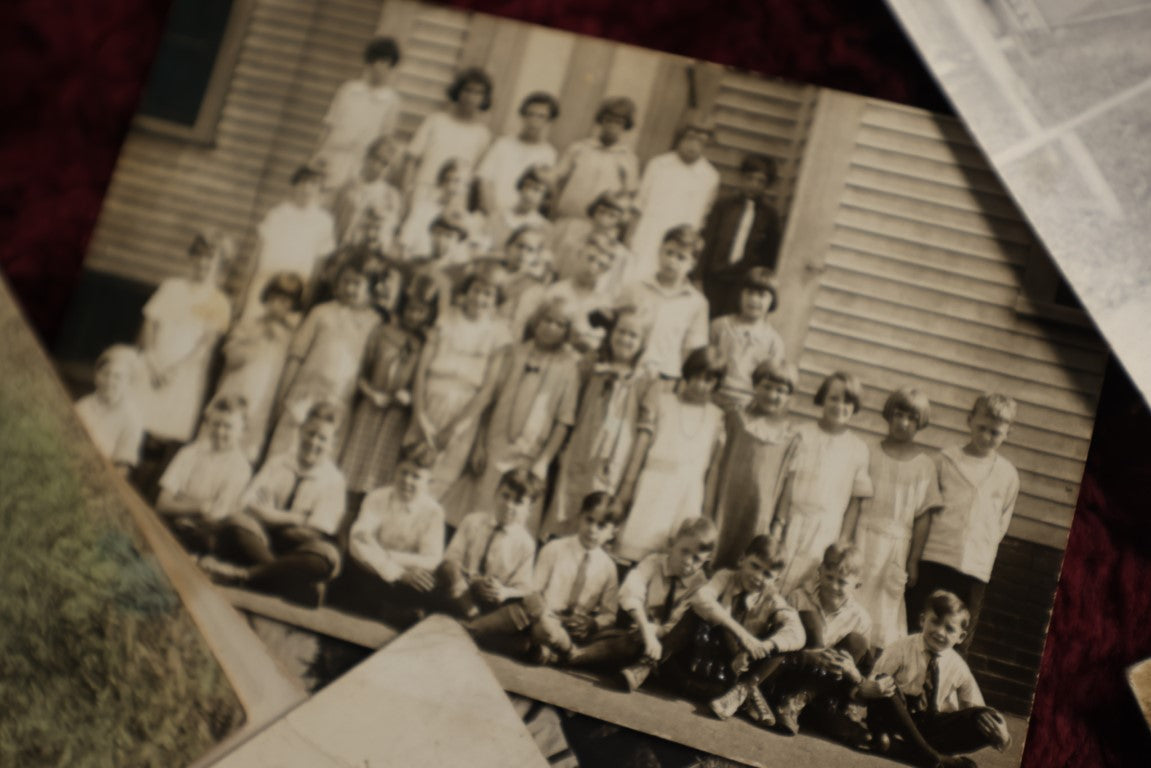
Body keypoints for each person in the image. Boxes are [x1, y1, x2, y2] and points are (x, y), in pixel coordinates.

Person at [446, 298, 580, 536]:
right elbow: (490, 401)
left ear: (567, 331)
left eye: (560, 324)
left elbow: (564, 421)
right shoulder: (513, 353)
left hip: (531, 457)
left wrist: (543, 461)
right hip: (495, 447)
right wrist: (479, 444)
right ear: (536, 320)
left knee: (516, 523)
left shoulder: (568, 367)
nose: (551, 327)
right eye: (547, 320)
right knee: (481, 515)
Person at [707, 543, 872, 737]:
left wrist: (851, 671)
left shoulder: (861, 619)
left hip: (821, 687)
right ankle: (776, 702)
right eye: (829, 577)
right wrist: (810, 656)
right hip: (792, 672)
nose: (833, 586)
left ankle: (796, 706)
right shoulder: (799, 597)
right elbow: (781, 642)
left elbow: (862, 676)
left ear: (857, 585)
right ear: (820, 570)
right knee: (809, 621)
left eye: (842, 582)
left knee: (857, 642)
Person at [906, 393, 1019, 653]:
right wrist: (914, 559)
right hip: (934, 559)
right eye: (982, 428)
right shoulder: (945, 461)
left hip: (973, 570)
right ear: (969, 421)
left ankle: (942, 691)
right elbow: (925, 511)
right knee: (918, 629)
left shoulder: (1007, 475)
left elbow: (1000, 524)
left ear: (1007, 433)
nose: (987, 436)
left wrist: (979, 550)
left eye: (995, 432)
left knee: (956, 641)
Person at [631, 535, 805, 698]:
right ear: (742, 559)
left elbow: (797, 633)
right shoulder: (726, 577)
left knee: (782, 645)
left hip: (726, 676)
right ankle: (649, 664)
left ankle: (742, 692)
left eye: (767, 574)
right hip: (696, 660)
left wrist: (763, 646)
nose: (757, 577)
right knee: (697, 611)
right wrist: (742, 636)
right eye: (755, 566)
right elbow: (701, 598)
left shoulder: (772, 599)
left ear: (776, 579)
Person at [209, 401, 346, 606]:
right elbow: (247, 503)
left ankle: (246, 575)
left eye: (322, 438)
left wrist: (270, 514)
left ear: (332, 444)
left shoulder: (334, 480)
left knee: (327, 557)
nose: (314, 442)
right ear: (300, 431)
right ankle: (293, 586)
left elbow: (317, 529)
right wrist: (297, 518)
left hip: (300, 549)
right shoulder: (278, 462)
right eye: (310, 433)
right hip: (262, 539)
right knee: (236, 523)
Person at [860, 590, 1012, 768]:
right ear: (923, 620)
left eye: (949, 629)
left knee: (985, 716)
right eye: (935, 622)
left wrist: (1004, 738)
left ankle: (899, 748)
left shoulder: (958, 666)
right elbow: (872, 685)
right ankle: (933, 758)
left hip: (930, 725)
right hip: (896, 716)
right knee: (885, 682)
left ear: (961, 637)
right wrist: (873, 687)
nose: (940, 632)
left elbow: (974, 708)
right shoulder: (901, 647)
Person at [465, 492, 621, 662]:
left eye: (601, 526)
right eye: (589, 520)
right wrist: (543, 612)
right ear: (579, 517)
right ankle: (555, 653)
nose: (592, 529)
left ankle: (552, 651)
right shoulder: (555, 549)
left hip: (573, 630)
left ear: (613, 532)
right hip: (543, 619)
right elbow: (533, 591)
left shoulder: (608, 568)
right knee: (536, 620)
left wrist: (593, 623)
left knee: (611, 639)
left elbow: (609, 614)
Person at [542, 306, 653, 540]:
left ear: (643, 342)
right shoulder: (591, 365)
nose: (625, 339)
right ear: (611, 333)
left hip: (614, 461)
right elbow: (570, 406)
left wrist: (629, 482)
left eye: (633, 335)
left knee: (597, 518)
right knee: (564, 516)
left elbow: (645, 431)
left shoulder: (646, 378)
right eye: (621, 332)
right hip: (579, 451)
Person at [847, 387, 942, 650]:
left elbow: (923, 517)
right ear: (888, 415)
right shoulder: (870, 452)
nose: (903, 423)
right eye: (898, 415)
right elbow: (856, 500)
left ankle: (871, 664)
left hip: (896, 546)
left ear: (920, 424)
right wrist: (846, 539)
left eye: (911, 419)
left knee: (885, 606)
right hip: (863, 538)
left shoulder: (924, 466)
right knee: (853, 594)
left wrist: (913, 559)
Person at [408, 264, 512, 503]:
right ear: (467, 291)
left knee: (440, 480)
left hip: (464, 411)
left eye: (488, 294)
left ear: (496, 300)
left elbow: (487, 389)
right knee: (411, 468)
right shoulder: (447, 317)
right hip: (429, 399)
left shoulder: (498, 332)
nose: (480, 298)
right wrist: (420, 414)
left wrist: (455, 428)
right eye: (476, 290)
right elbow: (422, 370)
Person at [614, 346, 727, 563]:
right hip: (654, 484)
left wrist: (707, 510)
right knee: (636, 549)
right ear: (688, 374)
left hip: (688, 492)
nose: (701, 385)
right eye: (697, 377)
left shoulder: (717, 417)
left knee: (674, 555)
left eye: (709, 380)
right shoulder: (664, 402)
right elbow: (641, 447)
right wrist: (627, 487)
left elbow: (713, 469)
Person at [563, 517, 716, 673]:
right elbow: (631, 592)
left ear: (706, 560)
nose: (688, 562)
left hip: (666, 646)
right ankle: (573, 654)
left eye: (697, 559)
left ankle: (575, 656)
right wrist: (646, 630)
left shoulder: (700, 584)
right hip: (634, 632)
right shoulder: (653, 562)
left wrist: (653, 633)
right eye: (684, 551)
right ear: (673, 543)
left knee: (638, 647)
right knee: (609, 636)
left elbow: (676, 625)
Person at [264, 256, 379, 459]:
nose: (350, 288)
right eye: (346, 281)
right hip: (304, 394)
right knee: (285, 450)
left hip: (338, 401)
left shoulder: (373, 322)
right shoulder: (322, 312)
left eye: (357, 283)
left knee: (321, 454)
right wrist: (283, 395)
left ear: (369, 287)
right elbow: (296, 357)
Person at [339, 274, 439, 505]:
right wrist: (371, 392)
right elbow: (362, 372)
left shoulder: (424, 346)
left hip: (395, 419)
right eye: (411, 309)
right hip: (369, 408)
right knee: (352, 466)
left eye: (421, 311)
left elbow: (422, 383)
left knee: (377, 476)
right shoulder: (382, 332)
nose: (414, 316)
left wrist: (408, 397)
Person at [774, 371, 873, 595]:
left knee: (806, 588)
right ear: (822, 399)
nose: (840, 406)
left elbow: (855, 502)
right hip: (792, 520)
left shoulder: (857, 448)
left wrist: (843, 540)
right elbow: (787, 482)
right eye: (834, 398)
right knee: (777, 576)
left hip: (827, 529)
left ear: (855, 406)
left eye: (847, 401)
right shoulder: (801, 434)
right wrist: (779, 523)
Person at [327, 442, 444, 627]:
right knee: (355, 565)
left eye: (416, 476)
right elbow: (359, 542)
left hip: (402, 574)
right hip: (372, 571)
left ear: (429, 480)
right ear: (395, 470)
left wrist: (391, 558)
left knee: (428, 584)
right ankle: (379, 608)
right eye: (404, 472)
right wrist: (395, 571)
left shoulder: (433, 512)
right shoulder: (377, 497)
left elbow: (432, 558)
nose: (407, 481)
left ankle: (384, 608)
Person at [138, 232, 233, 447]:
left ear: (220, 265)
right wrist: (152, 360)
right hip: (155, 359)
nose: (203, 263)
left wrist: (174, 370)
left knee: (162, 433)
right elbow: (150, 323)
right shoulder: (171, 287)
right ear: (191, 258)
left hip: (184, 370)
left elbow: (206, 345)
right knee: (136, 417)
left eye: (211, 259)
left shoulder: (220, 301)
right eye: (199, 256)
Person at [712, 358, 801, 569]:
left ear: (789, 396)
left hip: (759, 514)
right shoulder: (735, 420)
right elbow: (716, 465)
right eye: (767, 387)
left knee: (747, 564)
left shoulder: (789, 437)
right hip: (724, 507)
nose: (772, 395)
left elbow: (787, 486)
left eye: (780, 391)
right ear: (755, 386)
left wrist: (777, 524)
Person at [212, 272, 304, 462]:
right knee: (217, 441)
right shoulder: (248, 325)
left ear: (293, 306)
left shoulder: (291, 336)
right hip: (235, 391)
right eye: (275, 299)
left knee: (246, 453)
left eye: (286, 302)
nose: (279, 305)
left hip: (262, 403)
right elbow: (231, 358)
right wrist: (257, 339)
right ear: (267, 298)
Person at [626, 112, 719, 283]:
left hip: (679, 247)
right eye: (690, 138)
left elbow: (702, 220)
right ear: (681, 138)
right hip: (647, 238)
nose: (693, 145)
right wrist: (629, 240)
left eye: (701, 141)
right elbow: (638, 206)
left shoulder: (709, 177)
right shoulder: (658, 164)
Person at [436, 468, 541, 619]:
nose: (509, 506)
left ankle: (474, 619)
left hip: (489, 598)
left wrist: (504, 592)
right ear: (495, 493)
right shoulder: (472, 521)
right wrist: (468, 579)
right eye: (505, 496)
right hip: (460, 587)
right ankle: (471, 614)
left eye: (518, 502)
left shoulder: (526, 544)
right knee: (448, 568)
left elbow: (523, 587)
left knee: (521, 608)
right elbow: (451, 558)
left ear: (529, 509)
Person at [155, 395, 252, 554]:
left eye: (228, 426)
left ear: (242, 430)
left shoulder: (241, 468)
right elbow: (162, 503)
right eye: (215, 424)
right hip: (168, 523)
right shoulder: (191, 452)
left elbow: (213, 517)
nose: (219, 432)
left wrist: (181, 500)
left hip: (200, 537)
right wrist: (199, 506)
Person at [615, 225, 709, 383]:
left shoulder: (697, 303)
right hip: (626, 370)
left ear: (692, 264)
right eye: (669, 252)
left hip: (663, 376)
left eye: (681, 257)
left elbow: (691, 347)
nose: (671, 261)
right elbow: (614, 325)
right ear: (660, 251)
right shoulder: (634, 288)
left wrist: (671, 374)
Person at [240, 165, 335, 319]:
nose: (306, 189)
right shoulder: (277, 214)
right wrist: (245, 289)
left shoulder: (324, 222)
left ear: (319, 189)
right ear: (294, 186)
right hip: (266, 281)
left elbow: (318, 266)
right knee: (251, 324)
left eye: (313, 184)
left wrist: (307, 297)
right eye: (302, 183)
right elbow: (256, 255)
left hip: (296, 287)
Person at [696, 153, 782, 318]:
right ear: (741, 178)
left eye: (760, 181)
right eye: (749, 178)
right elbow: (707, 242)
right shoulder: (723, 206)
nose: (753, 185)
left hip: (743, 285)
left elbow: (769, 258)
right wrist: (698, 278)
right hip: (713, 279)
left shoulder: (770, 216)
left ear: (767, 185)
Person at [313, 36, 402, 192]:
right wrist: (318, 155)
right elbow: (328, 125)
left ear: (392, 68)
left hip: (362, 164)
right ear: (370, 62)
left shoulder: (391, 101)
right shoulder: (349, 90)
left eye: (387, 64)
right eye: (378, 61)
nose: (381, 68)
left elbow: (385, 140)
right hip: (334, 156)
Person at [400, 67, 494, 207]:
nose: (471, 97)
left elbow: (477, 177)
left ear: (484, 98)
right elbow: (411, 160)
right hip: (424, 192)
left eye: (478, 93)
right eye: (468, 90)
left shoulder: (483, 134)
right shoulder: (436, 121)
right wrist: (407, 192)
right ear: (458, 91)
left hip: (456, 199)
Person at [511, 231, 618, 351]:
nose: (592, 267)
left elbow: (599, 343)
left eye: (601, 265)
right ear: (579, 255)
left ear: (607, 270)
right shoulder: (555, 292)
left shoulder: (605, 303)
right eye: (590, 259)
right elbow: (533, 327)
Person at [708, 267, 785, 412]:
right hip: (714, 396)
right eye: (749, 293)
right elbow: (704, 364)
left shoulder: (773, 341)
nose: (754, 299)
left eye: (761, 295)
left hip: (748, 403)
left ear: (772, 301)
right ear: (740, 294)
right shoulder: (720, 326)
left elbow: (772, 380)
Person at [551, 97, 639, 222]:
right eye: (608, 120)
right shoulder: (579, 149)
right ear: (601, 120)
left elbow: (628, 195)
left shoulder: (628, 159)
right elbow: (558, 180)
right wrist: (554, 210)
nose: (612, 126)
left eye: (618, 122)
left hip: (598, 224)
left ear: (625, 126)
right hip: (567, 217)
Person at [475, 91, 560, 217]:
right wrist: (493, 215)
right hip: (492, 214)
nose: (534, 121)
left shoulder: (548, 154)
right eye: (530, 115)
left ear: (549, 121)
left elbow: (540, 193)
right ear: (523, 116)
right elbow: (485, 182)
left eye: (541, 116)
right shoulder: (502, 144)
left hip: (521, 220)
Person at [74, 344, 144, 476]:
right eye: (106, 373)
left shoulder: (131, 418)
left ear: (129, 382)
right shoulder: (82, 406)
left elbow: (122, 467)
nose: (109, 381)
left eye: (118, 377)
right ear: (96, 376)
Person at [331, 135, 404, 249]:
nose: (377, 166)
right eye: (375, 158)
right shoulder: (347, 188)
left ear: (390, 168)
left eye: (385, 163)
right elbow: (332, 223)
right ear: (367, 157)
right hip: (341, 248)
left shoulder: (391, 196)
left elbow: (388, 232)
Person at [550, 190, 630, 286]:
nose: (603, 219)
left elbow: (613, 287)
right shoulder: (573, 242)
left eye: (612, 215)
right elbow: (555, 271)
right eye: (601, 212)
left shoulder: (619, 255)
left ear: (619, 221)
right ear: (594, 211)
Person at [484, 165, 552, 252]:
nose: (528, 194)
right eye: (527, 186)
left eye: (536, 190)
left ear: (545, 198)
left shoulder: (544, 229)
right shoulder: (498, 216)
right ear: (520, 186)